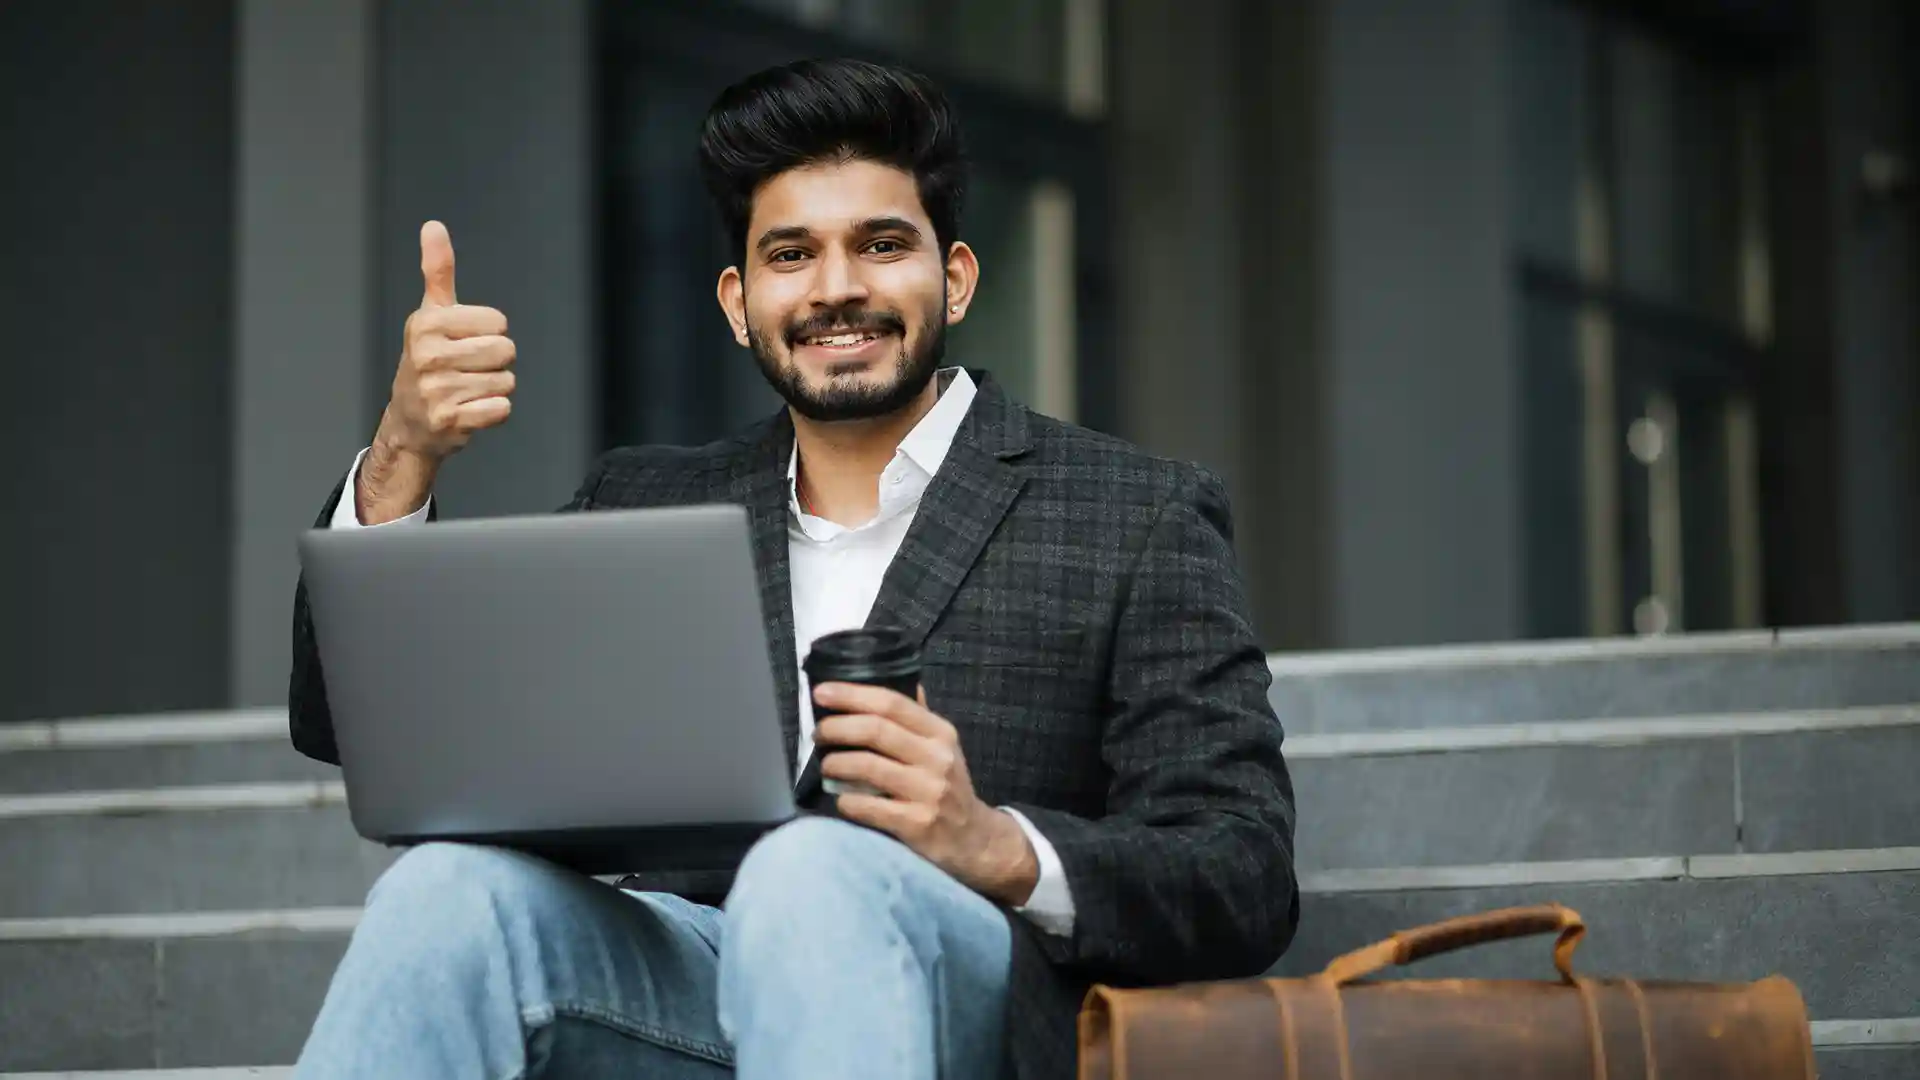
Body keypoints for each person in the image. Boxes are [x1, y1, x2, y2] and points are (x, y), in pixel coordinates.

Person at [287, 57, 1296, 1080]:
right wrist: (402, 455)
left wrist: (996, 843)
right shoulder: (641, 503)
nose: (837, 288)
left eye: (882, 244)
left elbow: (1241, 869)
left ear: (954, 277)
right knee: (440, 892)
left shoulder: (1135, 512)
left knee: (815, 869)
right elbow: (356, 726)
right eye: (790, 255)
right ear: (738, 302)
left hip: (963, 1010)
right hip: (681, 999)